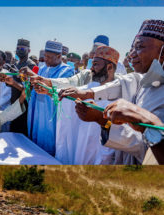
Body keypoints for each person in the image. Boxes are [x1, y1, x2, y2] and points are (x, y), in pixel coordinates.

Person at [67, 19, 164, 164]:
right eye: (132, 48)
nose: (131, 55)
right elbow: (123, 83)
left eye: (140, 47)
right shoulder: (146, 81)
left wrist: (147, 122)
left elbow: (147, 149)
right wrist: (91, 98)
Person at [54, 46, 124, 164]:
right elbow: (74, 92)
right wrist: (55, 91)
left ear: (110, 67)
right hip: (78, 150)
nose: (91, 68)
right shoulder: (89, 88)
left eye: (95, 64)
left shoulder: (121, 97)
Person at [26, 40, 74, 155]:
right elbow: (32, 90)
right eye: (45, 56)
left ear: (59, 56)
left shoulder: (67, 71)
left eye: (48, 57)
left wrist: (37, 79)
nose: (45, 59)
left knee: (50, 148)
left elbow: (61, 91)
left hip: (52, 115)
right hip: (38, 113)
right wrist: (27, 80)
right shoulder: (43, 68)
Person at [10, 38, 36, 136]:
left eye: (22, 49)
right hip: (15, 104)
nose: (19, 51)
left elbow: (29, 90)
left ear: (28, 51)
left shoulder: (31, 66)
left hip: (25, 106)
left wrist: (13, 83)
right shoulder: (16, 64)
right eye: (18, 48)